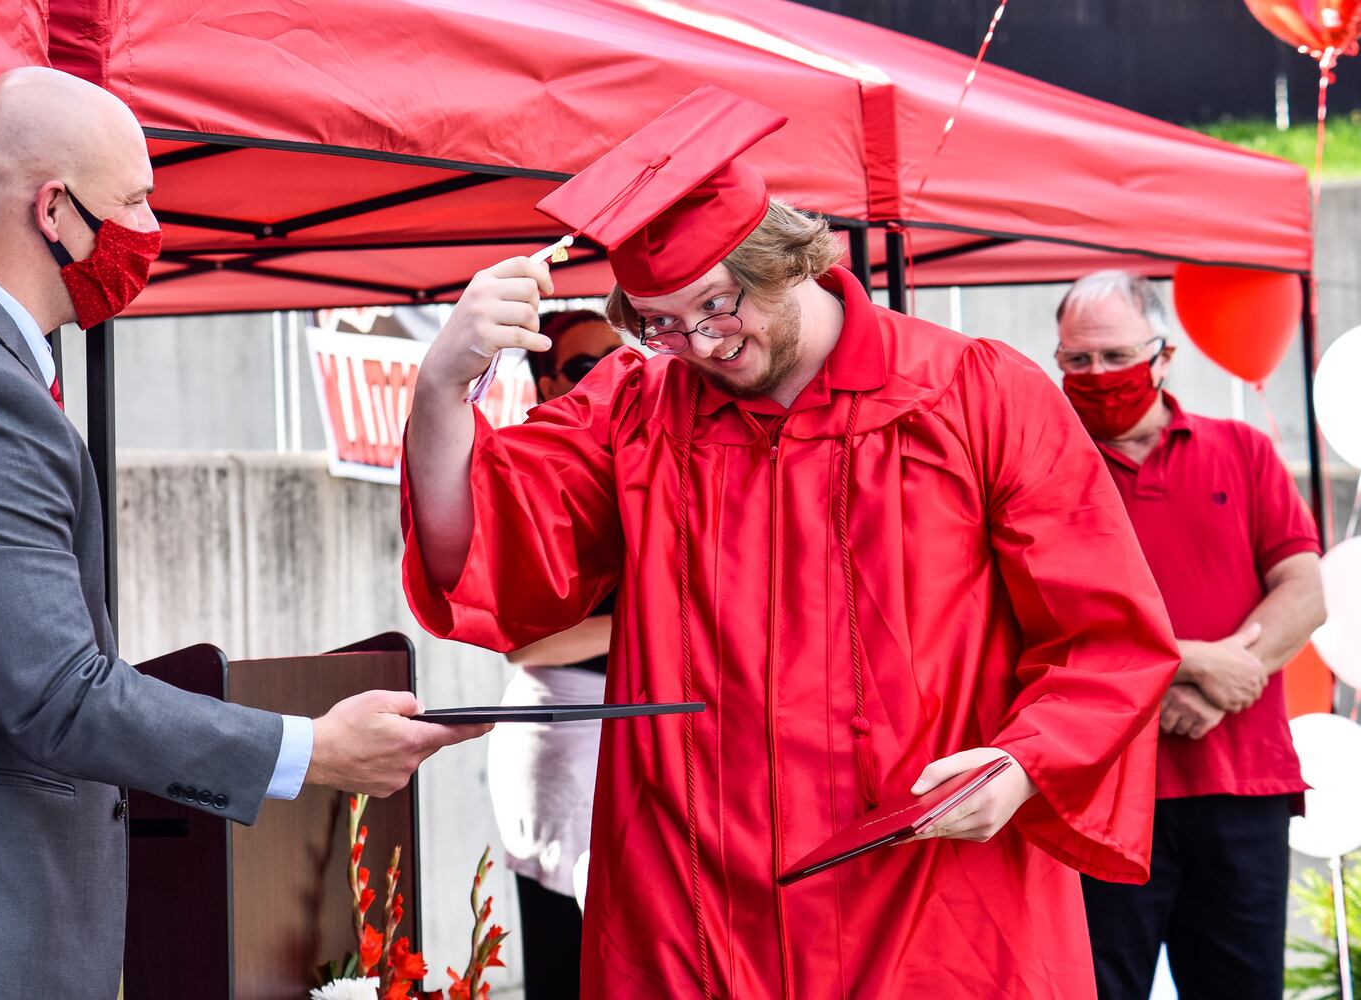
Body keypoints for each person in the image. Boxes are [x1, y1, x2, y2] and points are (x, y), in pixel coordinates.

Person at [0, 67, 486, 1000]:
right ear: (55, 210)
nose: (151, 234)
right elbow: (57, 695)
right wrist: (312, 749)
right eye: (135, 203)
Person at [399, 85, 1180, 999]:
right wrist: (440, 394)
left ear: (786, 260)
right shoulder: (637, 408)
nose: (696, 342)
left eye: (717, 305)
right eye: (659, 322)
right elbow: (494, 549)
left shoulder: (974, 394)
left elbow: (1108, 637)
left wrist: (1021, 764)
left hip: (925, 883)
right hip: (690, 897)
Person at [1055, 271, 1327, 1000]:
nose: (1096, 376)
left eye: (1114, 356)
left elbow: (1304, 591)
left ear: (1163, 354)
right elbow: (1043, 620)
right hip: (1100, 798)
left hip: (1241, 787)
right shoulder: (1045, 471)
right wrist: (1194, 662)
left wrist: (1221, 688)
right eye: (1076, 361)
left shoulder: (1240, 449)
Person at [487, 310, 625, 1000]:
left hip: (631, 726)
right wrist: (645, 621)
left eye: (614, 357)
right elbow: (524, 643)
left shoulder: (634, 458)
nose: (603, 376)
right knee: (565, 952)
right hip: (564, 727)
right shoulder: (530, 473)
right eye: (581, 367)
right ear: (545, 381)